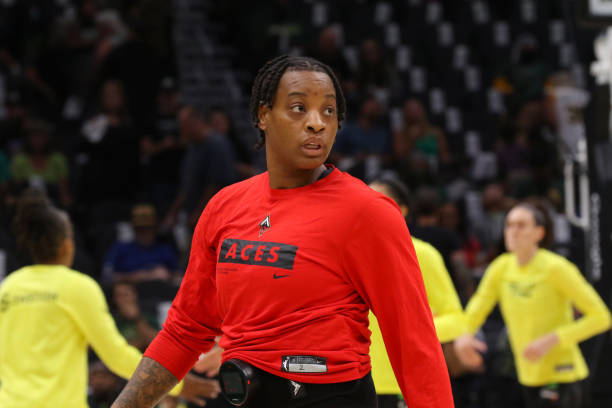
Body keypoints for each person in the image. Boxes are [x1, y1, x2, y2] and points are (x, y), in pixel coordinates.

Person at [111, 55, 453, 408]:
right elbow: (184, 332)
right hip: (242, 395)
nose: (316, 123)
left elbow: (414, 343)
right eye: (298, 108)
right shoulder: (224, 207)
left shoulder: (368, 213)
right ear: (263, 116)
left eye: (329, 111)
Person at [0, 194, 220, 407]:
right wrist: (175, 384)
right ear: (67, 245)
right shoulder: (77, 287)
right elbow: (116, 356)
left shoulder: (8, 287)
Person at [454, 202, 611, 408]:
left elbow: (601, 317)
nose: (513, 231)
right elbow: (478, 306)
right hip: (524, 375)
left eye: (521, 225)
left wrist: (553, 339)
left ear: (539, 232)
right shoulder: (501, 267)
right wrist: (465, 334)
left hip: (561, 374)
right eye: (509, 225)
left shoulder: (556, 268)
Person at [368, 177, 480, 408]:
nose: (367, 207)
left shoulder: (423, 254)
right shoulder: (349, 254)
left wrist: (413, 328)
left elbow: (456, 318)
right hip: (357, 384)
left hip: (404, 386)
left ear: (401, 210)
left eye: (377, 200)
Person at [103, 203, 179, 285]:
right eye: (140, 229)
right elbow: (107, 277)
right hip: (130, 294)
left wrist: (169, 275)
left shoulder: (165, 249)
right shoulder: (120, 249)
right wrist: (141, 276)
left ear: (155, 229)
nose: (144, 233)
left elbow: (180, 276)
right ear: (133, 228)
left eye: (148, 228)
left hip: (161, 294)